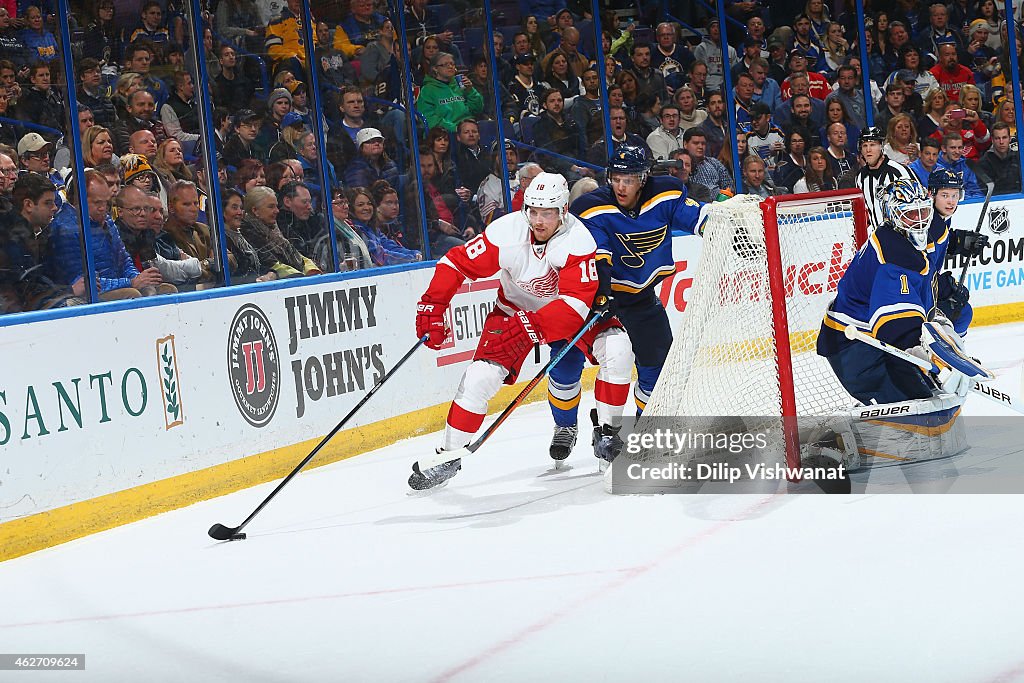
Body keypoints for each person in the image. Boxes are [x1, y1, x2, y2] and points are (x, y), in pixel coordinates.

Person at [411, 173, 634, 488]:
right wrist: (432, 306)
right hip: (514, 310)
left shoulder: (578, 240)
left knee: (617, 347)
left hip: (570, 313)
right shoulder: (506, 232)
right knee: (478, 378)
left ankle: (608, 436)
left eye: (547, 213)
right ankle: (446, 457)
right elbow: (455, 263)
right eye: (533, 211)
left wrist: (534, 325)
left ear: (564, 211)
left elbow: (573, 309)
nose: (538, 220)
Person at [566, 146, 710, 421]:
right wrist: (600, 294)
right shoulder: (591, 207)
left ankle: (647, 430)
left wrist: (727, 229)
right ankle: (603, 429)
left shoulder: (666, 192)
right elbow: (600, 254)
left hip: (642, 300)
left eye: (628, 180)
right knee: (609, 365)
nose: (621, 186)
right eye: (616, 178)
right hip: (601, 301)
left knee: (658, 369)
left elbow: (697, 218)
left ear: (643, 179)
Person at [816, 178, 982, 405]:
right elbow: (896, 326)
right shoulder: (892, 255)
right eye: (911, 215)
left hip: (876, 332)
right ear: (894, 216)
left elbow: (929, 259)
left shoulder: (915, 232)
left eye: (924, 211)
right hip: (854, 342)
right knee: (914, 402)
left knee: (931, 392)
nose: (920, 220)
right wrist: (926, 355)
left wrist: (957, 243)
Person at [928, 168, 988, 334]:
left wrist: (960, 241)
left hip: (925, 286)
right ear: (931, 194)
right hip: (914, 293)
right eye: (945, 195)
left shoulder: (940, 217)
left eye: (955, 196)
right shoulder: (927, 223)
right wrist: (945, 287)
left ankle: (952, 351)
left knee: (961, 311)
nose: (951, 202)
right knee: (961, 313)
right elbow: (920, 270)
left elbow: (943, 240)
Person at [855, 126, 915, 230]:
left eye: (872, 145)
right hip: (878, 238)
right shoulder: (860, 177)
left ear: (881, 147)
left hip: (902, 236)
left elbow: (916, 205)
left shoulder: (898, 171)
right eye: (864, 145)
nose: (868, 150)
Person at [415, 52, 484, 133]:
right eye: (445, 64)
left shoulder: (460, 84)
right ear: (435, 68)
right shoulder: (427, 90)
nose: (450, 67)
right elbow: (429, 119)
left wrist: (470, 90)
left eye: (452, 64)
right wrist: (456, 128)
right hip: (445, 133)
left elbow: (478, 109)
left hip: (468, 128)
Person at [975, 122, 1021, 195]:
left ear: (1010, 139)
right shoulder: (983, 163)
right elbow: (986, 191)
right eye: (997, 138)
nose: (1001, 142)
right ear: (992, 140)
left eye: (1004, 137)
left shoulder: (1019, 158)